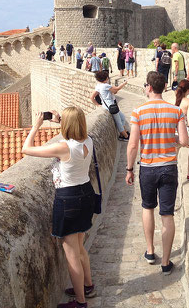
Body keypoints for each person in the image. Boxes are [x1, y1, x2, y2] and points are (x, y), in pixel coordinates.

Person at [21, 108, 96, 308]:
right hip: (86, 193)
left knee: (71, 254)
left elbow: (26, 149)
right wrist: (62, 121)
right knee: (79, 246)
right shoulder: (88, 140)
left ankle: (80, 302)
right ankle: (88, 286)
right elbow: (74, 128)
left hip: (69, 199)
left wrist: (36, 126)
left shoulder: (64, 148)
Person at [126, 71, 188, 275]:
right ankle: (166, 262)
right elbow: (184, 141)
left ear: (149, 87)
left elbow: (133, 144)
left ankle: (151, 251)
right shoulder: (176, 111)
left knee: (147, 207)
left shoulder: (138, 112)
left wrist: (129, 169)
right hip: (169, 167)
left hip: (148, 168)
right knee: (167, 214)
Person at [90, 71, 129, 141]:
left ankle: (123, 133)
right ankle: (125, 136)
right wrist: (124, 83)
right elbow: (117, 89)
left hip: (107, 105)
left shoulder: (98, 86)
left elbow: (92, 97)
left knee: (122, 117)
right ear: (105, 78)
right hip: (111, 106)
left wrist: (98, 105)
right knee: (119, 122)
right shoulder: (105, 86)